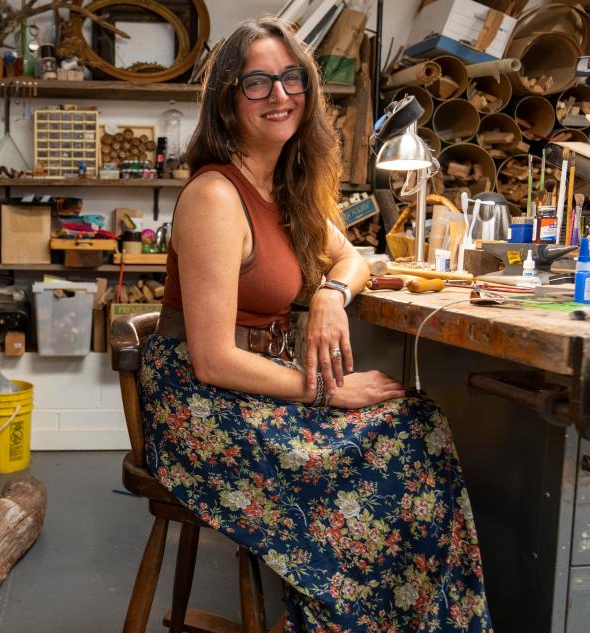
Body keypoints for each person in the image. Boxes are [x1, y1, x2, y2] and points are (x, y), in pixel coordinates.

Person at [138, 16, 492, 631]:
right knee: (403, 446)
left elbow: (350, 257)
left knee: (418, 424)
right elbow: (212, 359)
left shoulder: (285, 188)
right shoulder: (216, 196)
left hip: (255, 383)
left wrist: (330, 293)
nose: (280, 95)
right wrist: (327, 388)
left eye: (291, 77)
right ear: (227, 100)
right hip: (200, 403)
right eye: (257, 83)